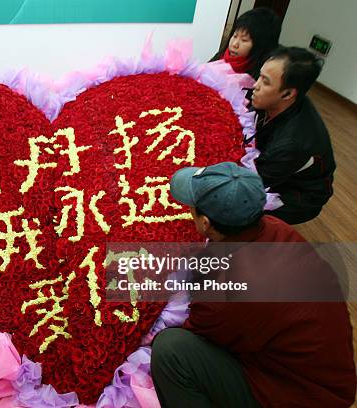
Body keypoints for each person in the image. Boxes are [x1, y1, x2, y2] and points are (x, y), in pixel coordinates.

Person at [150, 162, 356, 407]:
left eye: (192, 209)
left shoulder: (227, 297)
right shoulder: (276, 228)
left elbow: (200, 330)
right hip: (324, 374)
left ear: (205, 224)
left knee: (171, 351)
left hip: (298, 394)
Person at [250, 46, 334, 224]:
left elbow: (250, 183)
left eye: (265, 82)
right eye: (259, 76)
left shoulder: (292, 143)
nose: (255, 85)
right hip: (279, 170)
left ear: (288, 93)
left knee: (240, 214)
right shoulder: (278, 101)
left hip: (299, 194)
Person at [211, 7, 281, 78]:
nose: (235, 44)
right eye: (235, 36)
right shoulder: (221, 56)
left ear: (259, 45)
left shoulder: (260, 73)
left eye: (244, 40)